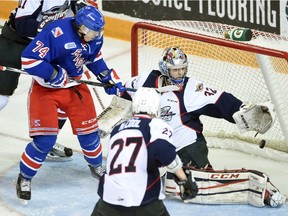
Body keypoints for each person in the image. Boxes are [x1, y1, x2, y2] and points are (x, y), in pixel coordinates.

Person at [121, 47, 285, 207]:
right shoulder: (146, 80)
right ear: (164, 69)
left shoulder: (193, 88)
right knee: (141, 177)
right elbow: (124, 92)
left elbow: (221, 100)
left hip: (186, 144)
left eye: (182, 69)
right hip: (156, 144)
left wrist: (245, 112)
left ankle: (262, 192)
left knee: (200, 184)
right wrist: (115, 91)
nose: (180, 73)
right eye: (175, 70)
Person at [16, 5, 125, 203]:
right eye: (93, 31)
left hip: (75, 87)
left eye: (99, 31)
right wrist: (53, 74)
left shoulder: (94, 37)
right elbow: (28, 59)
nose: (97, 35)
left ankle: (96, 166)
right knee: (45, 142)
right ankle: (25, 177)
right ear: (81, 28)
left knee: (90, 135)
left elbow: (94, 58)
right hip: (46, 90)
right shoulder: (56, 32)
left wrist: (105, 77)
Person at [0, 0, 98, 160]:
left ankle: (47, 139)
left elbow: (81, 13)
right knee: (1, 98)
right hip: (17, 41)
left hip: (51, 42)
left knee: (65, 87)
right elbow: (22, 25)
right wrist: (49, 28)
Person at [91, 87, 198, 216]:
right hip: (142, 199)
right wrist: (184, 180)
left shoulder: (117, 129)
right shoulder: (155, 124)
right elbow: (163, 150)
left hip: (108, 198)